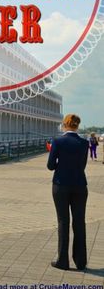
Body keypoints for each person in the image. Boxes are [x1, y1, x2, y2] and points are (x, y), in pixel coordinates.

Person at [47, 114, 89, 271]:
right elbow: (82, 165)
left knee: (63, 221)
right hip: (80, 185)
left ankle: (62, 261)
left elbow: (51, 166)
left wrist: (58, 160)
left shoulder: (58, 142)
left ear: (64, 125)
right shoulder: (84, 143)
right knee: (79, 222)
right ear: (77, 126)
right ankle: (80, 261)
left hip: (61, 185)